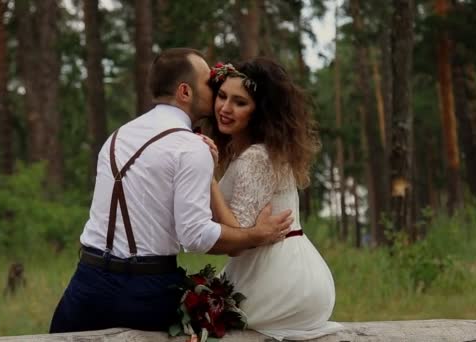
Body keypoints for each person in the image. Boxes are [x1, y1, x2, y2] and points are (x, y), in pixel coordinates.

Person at [49, 48, 294, 333]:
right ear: (185, 92)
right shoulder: (191, 147)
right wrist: (253, 236)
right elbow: (195, 236)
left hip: (87, 282)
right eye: (209, 83)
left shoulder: (117, 137)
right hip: (145, 289)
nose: (215, 91)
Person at [200, 58, 344, 341]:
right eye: (222, 96)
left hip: (281, 284)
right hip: (298, 277)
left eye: (240, 102)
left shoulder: (257, 157)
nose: (225, 108)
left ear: (260, 112)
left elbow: (236, 242)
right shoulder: (260, 152)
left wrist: (207, 177)